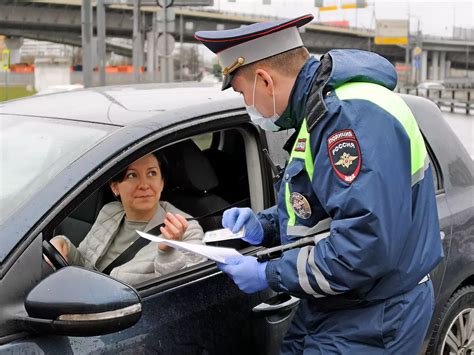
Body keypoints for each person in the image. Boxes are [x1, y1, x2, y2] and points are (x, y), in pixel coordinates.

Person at [195, 14, 444, 354]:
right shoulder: (320, 110)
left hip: (376, 314)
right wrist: (264, 226)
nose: (248, 105)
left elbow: (363, 246)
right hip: (339, 304)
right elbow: (322, 204)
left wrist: (268, 274)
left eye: (243, 94)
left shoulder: (348, 118)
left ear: (265, 81)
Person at [50, 152, 206, 285]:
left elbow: (189, 291)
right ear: (115, 187)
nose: (144, 185)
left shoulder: (186, 228)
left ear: (162, 182)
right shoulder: (110, 212)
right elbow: (85, 265)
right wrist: (64, 247)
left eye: (152, 173)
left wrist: (168, 253)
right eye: (132, 175)